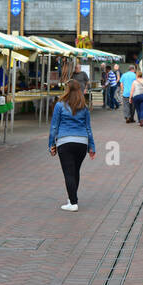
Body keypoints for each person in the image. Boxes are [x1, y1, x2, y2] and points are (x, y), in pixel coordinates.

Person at [49, 79, 96, 211]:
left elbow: (54, 127)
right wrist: (91, 147)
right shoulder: (84, 107)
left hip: (65, 142)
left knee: (68, 173)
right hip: (82, 142)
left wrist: (51, 144)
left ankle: (73, 203)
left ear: (67, 90)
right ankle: (72, 198)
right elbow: (88, 128)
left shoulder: (60, 105)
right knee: (75, 171)